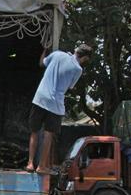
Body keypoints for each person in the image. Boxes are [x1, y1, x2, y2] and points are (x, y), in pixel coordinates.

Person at [27, 44, 92, 174]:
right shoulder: (78, 69)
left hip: (40, 98)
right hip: (55, 104)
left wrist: (45, 50)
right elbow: (70, 87)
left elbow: (41, 63)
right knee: (48, 135)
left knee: (34, 132)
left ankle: (29, 163)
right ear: (84, 58)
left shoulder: (57, 54)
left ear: (75, 50)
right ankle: (41, 166)